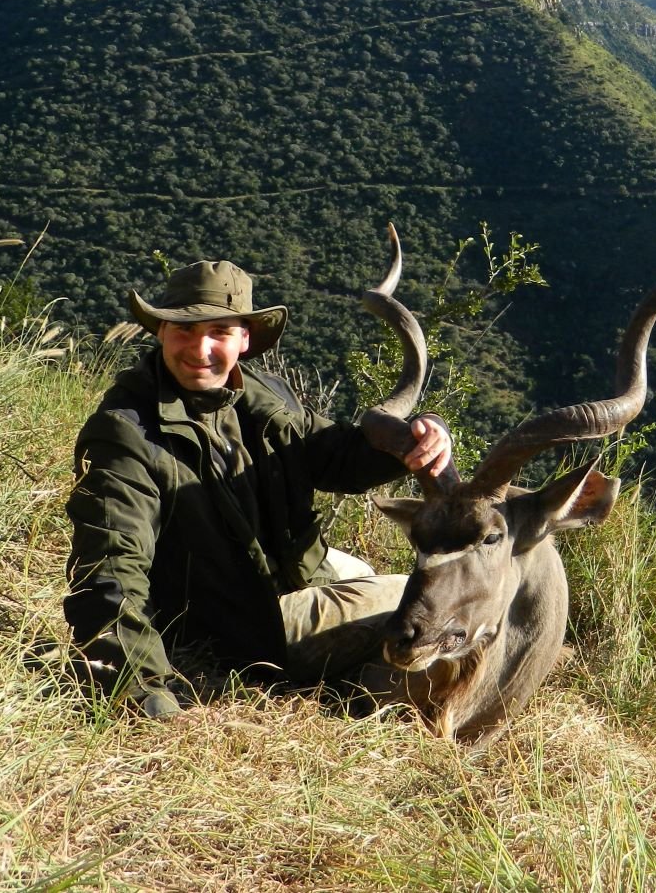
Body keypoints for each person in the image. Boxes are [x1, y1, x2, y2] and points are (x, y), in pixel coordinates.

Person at [63, 259, 450, 719]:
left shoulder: (262, 396)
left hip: (276, 581)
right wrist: (142, 690)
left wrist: (421, 437)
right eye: (184, 329)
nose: (199, 348)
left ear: (244, 340)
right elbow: (110, 569)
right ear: (161, 331)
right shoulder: (125, 433)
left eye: (220, 332)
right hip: (235, 627)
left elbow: (337, 460)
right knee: (424, 595)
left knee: (362, 571)